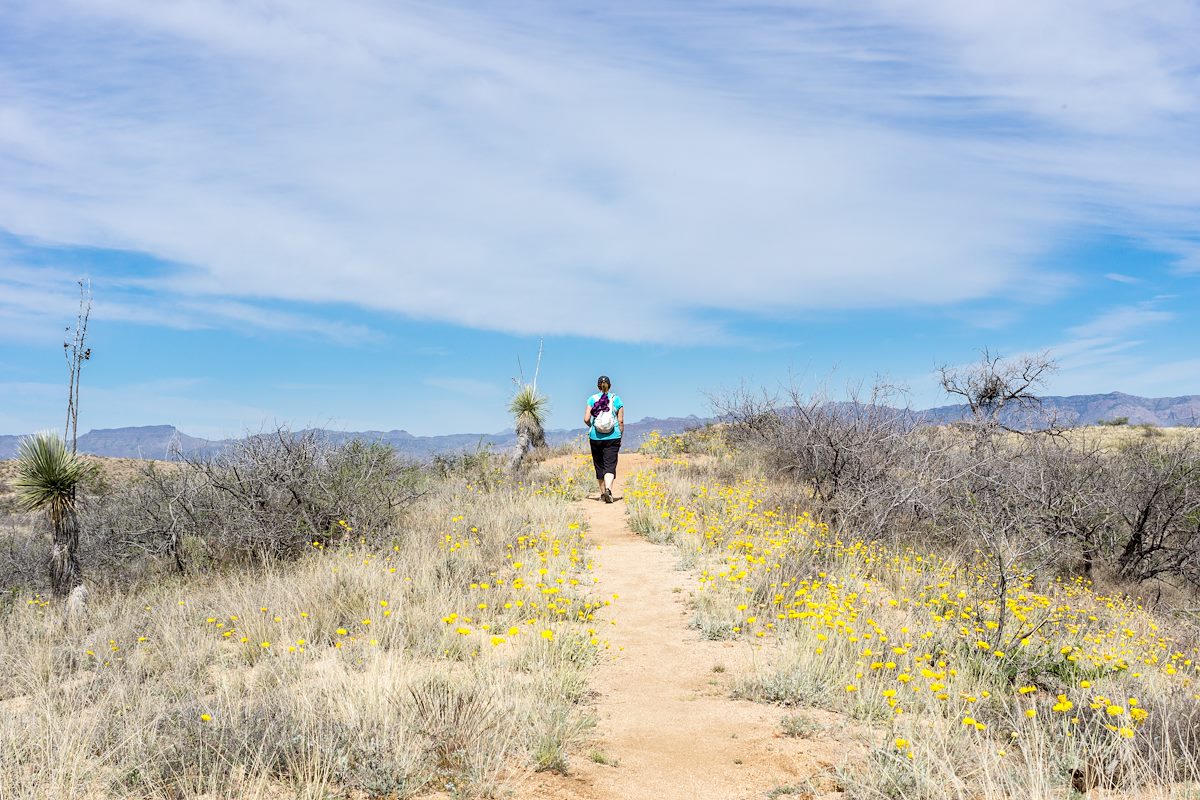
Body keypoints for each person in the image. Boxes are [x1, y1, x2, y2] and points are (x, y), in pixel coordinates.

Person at [584, 375, 624, 503]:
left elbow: (586, 419)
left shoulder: (592, 399)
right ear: (610, 385)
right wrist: (620, 434)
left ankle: (602, 494)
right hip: (613, 436)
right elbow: (621, 420)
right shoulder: (616, 399)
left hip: (596, 437)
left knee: (599, 464)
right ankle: (608, 490)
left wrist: (592, 427)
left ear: (598, 386)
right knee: (610, 465)